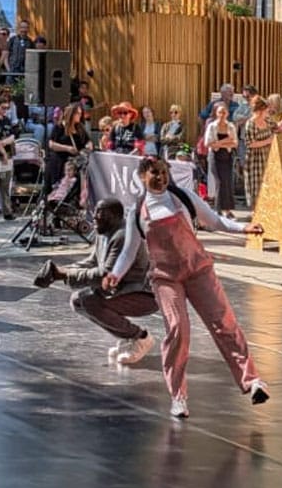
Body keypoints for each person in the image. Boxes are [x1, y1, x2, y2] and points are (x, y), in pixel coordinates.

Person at [103, 156, 268, 419]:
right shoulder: (138, 212)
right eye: (154, 173)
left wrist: (243, 228)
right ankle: (178, 396)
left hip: (198, 269)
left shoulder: (183, 197)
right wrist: (115, 274)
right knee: (178, 329)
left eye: (164, 172)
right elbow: (129, 251)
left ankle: (252, 381)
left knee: (224, 323)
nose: (161, 177)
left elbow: (215, 221)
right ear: (143, 177)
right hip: (166, 278)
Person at [33, 197, 159, 364]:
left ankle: (141, 338)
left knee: (89, 300)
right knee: (78, 301)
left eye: (101, 214)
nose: (95, 217)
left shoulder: (121, 236)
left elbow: (104, 274)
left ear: (115, 217)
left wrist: (63, 274)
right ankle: (129, 337)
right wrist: (61, 270)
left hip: (143, 294)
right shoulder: (105, 232)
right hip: (120, 290)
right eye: (95, 213)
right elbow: (92, 261)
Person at [203, 101, 239, 216]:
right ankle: (217, 210)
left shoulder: (231, 126)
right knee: (219, 182)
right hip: (214, 156)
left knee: (227, 182)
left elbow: (235, 143)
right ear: (216, 113)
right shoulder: (212, 126)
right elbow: (208, 143)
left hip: (227, 156)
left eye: (224, 112)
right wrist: (225, 141)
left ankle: (228, 210)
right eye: (219, 112)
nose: (222, 114)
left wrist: (218, 143)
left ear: (227, 113)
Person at [241, 98, 277, 206]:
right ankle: (255, 211)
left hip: (267, 157)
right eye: (266, 110)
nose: (267, 112)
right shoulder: (250, 124)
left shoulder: (268, 121)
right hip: (255, 159)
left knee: (268, 184)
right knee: (256, 186)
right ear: (260, 111)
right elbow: (250, 143)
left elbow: (277, 129)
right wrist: (267, 141)